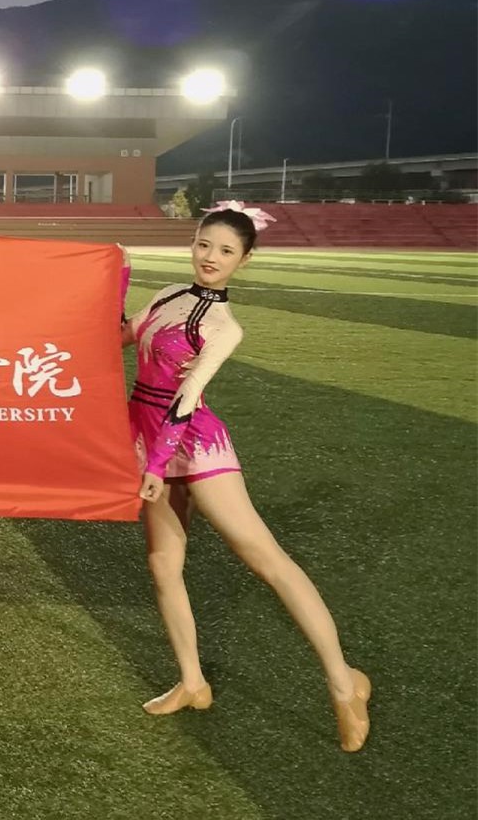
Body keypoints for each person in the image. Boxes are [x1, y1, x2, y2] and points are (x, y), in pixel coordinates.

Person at [120, 201, 371, 752]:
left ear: (245, 260)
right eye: (204, 244)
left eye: (226, 251)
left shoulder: (223, 326)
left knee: (265, 559)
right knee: (163, 564)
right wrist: (116, 276)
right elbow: (118, 335)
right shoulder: (168, 296)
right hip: (146, 433)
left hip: (191, 444)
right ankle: (192, 683)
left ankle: (343, 682)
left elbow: (188, 397)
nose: (211, 257)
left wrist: (157, 465)